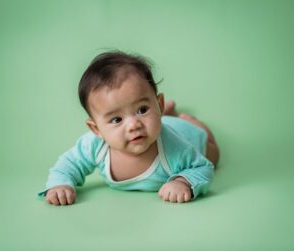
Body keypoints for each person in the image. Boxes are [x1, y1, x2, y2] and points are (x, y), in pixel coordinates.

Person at [38, 51, 220, 205]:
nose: (133, 125)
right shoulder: (94, 145)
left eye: (142, 109)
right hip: (161, 120)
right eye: (117, 119)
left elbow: (203, 167)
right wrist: (60, 184)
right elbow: (69, 163)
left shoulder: (174, 146)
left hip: (187, 133)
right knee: (159, 121)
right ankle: (166, 114)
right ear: (96, 130)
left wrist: (183, 182)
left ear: (158, 104)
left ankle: (190, 120)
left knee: (213, 152)